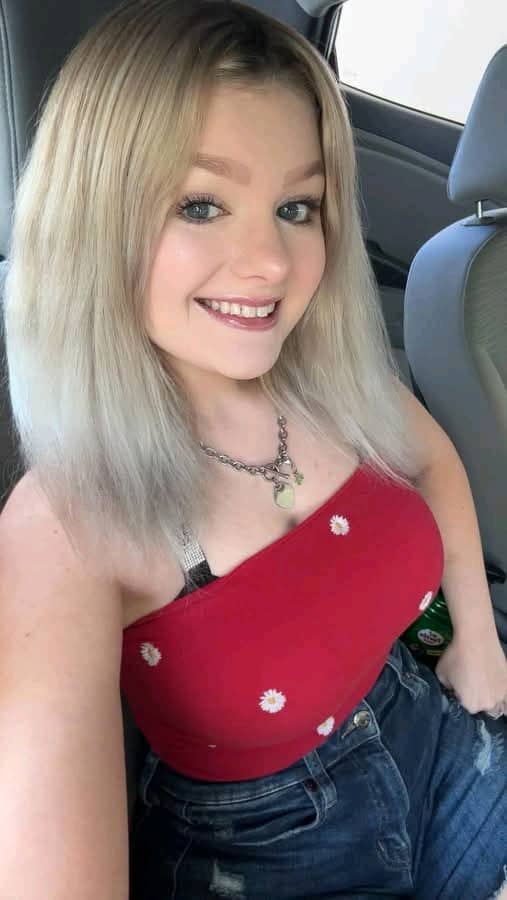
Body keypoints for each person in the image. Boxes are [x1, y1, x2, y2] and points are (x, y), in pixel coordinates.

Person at [1, 1, 506, 898]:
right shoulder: (66, 523)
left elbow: (434, 464)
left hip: (435, 741)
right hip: (269, 854)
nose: (271, 261)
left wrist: (475, 637)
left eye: (296, 207)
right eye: (200, 205)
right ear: (92, 221)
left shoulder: (330, 379)